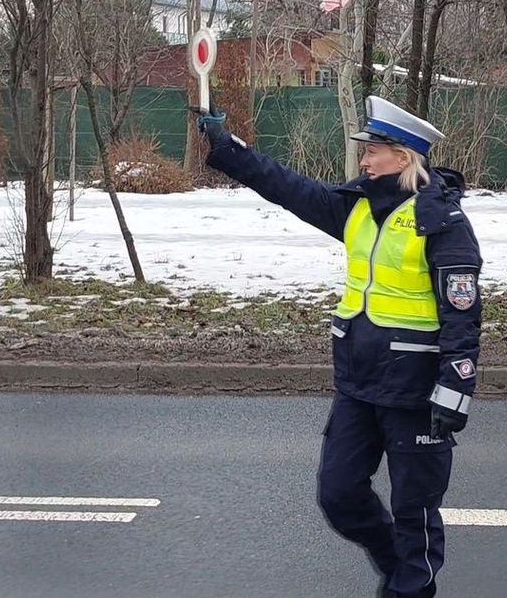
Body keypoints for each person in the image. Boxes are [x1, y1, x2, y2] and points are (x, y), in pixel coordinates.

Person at [195, 96, 482, 598]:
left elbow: (463, 316)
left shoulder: (442, 222)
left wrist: (454, 389)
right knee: (339, 494)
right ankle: (398, 568)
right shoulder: (357, 208)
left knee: (415, 513)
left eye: (372, 152)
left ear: (403, 156)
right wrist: (228, 147)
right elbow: (286, 186)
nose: (364, 161)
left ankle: (410, 587)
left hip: (416, 393)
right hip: (359, 383)